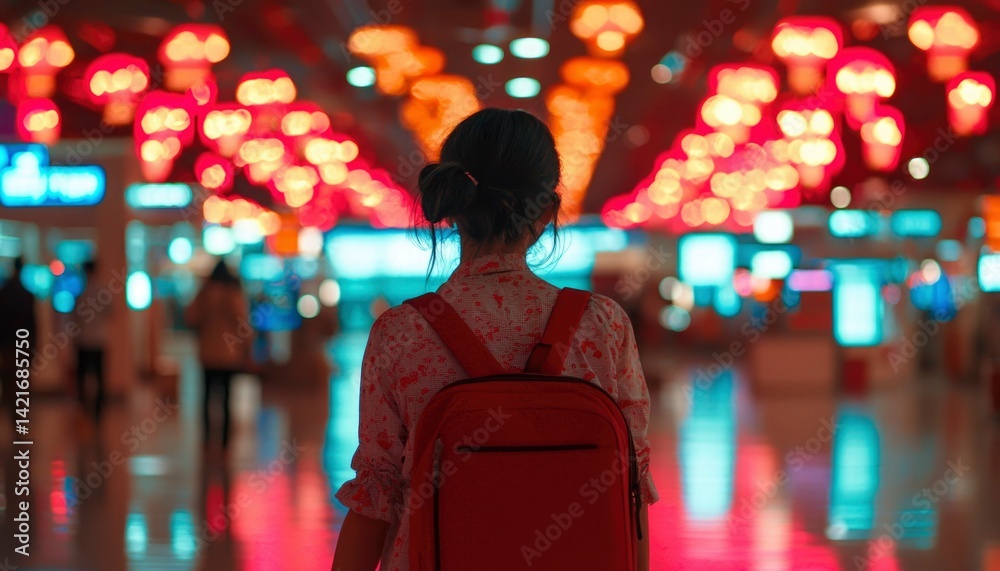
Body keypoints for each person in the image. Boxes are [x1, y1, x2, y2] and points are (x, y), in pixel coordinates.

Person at [332, 108, 657, 570]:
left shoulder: (400, 332)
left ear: (452, 207)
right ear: (547, 210)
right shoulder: (603, 325)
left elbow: (375, 495)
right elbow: (632, 489)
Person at [185, 259, 249, 448]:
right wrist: (247, 347)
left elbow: (190, 317)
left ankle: (206, 439)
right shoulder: (234, 294)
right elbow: (242, 323)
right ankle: (224, 442)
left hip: (208, 354)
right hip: (229, 355)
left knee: (206, 398)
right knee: (227, 399)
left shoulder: (203, 294)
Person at [0, 257, 37, 412]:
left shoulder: (4, 293)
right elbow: (33, 324)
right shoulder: (26, 295)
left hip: (6, 345)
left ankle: (10, 414)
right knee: (21, 382)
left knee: (7, 381)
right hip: (22, 346)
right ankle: (19, 418)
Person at [75, 260, 110, 418]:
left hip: (84, 341)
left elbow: (75, 318)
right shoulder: (101, 291)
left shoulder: (81, 293)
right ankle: (98, 411)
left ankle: (84, 407)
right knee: (99, 377)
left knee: (82, 378)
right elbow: (110, 313)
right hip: (98, 341)